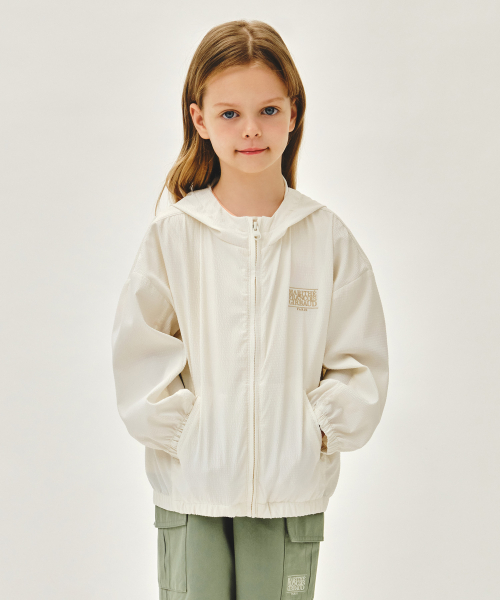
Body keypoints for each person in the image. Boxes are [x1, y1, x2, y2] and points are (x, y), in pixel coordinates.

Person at [111, 19, 389, 600]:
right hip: (192, 492)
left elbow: (360, 361)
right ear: (200, 120)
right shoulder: (173, 237)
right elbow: (139, 353)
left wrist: (314, 431)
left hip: (289, 498)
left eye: (268, 110)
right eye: (230, 113)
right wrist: (186, 433)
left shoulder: (326, 238)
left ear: (293, 113)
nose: (251, 130)